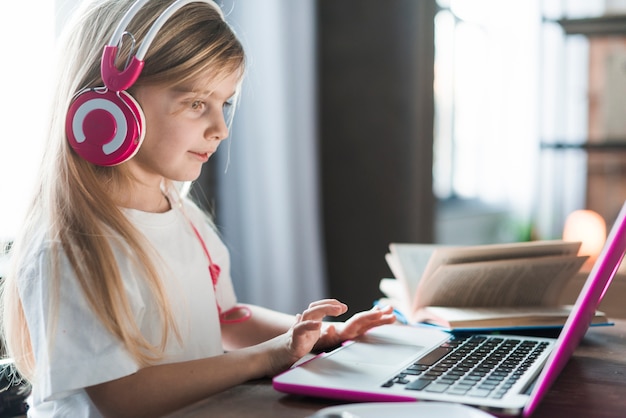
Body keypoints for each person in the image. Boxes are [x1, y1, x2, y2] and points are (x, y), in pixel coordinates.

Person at [0, 0, 396, 417]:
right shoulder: (73, 244)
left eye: (223, 104)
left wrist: (320, 334)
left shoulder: (180, 211)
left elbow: (226, 317)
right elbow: (123, 398)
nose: (221, 129)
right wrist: (270, 356)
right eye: (195, 104)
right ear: (110, 110)